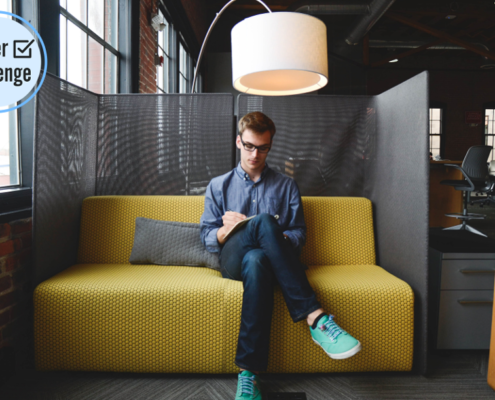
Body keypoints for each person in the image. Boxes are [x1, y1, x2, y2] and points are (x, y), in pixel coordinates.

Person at [200, 112, 361, 400]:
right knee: (261, 223)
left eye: (262, 147)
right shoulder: (218, 185)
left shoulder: (286, 186)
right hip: (232, 261)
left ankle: (248, 374)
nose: (255, 154)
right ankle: (315, 317)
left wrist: (276, 237)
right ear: (239, 141)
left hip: (268, 264)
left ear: (270, 146)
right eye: (249, 146)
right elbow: (207, 239)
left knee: (258, 257)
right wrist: (227, 230)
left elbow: (299, 233)